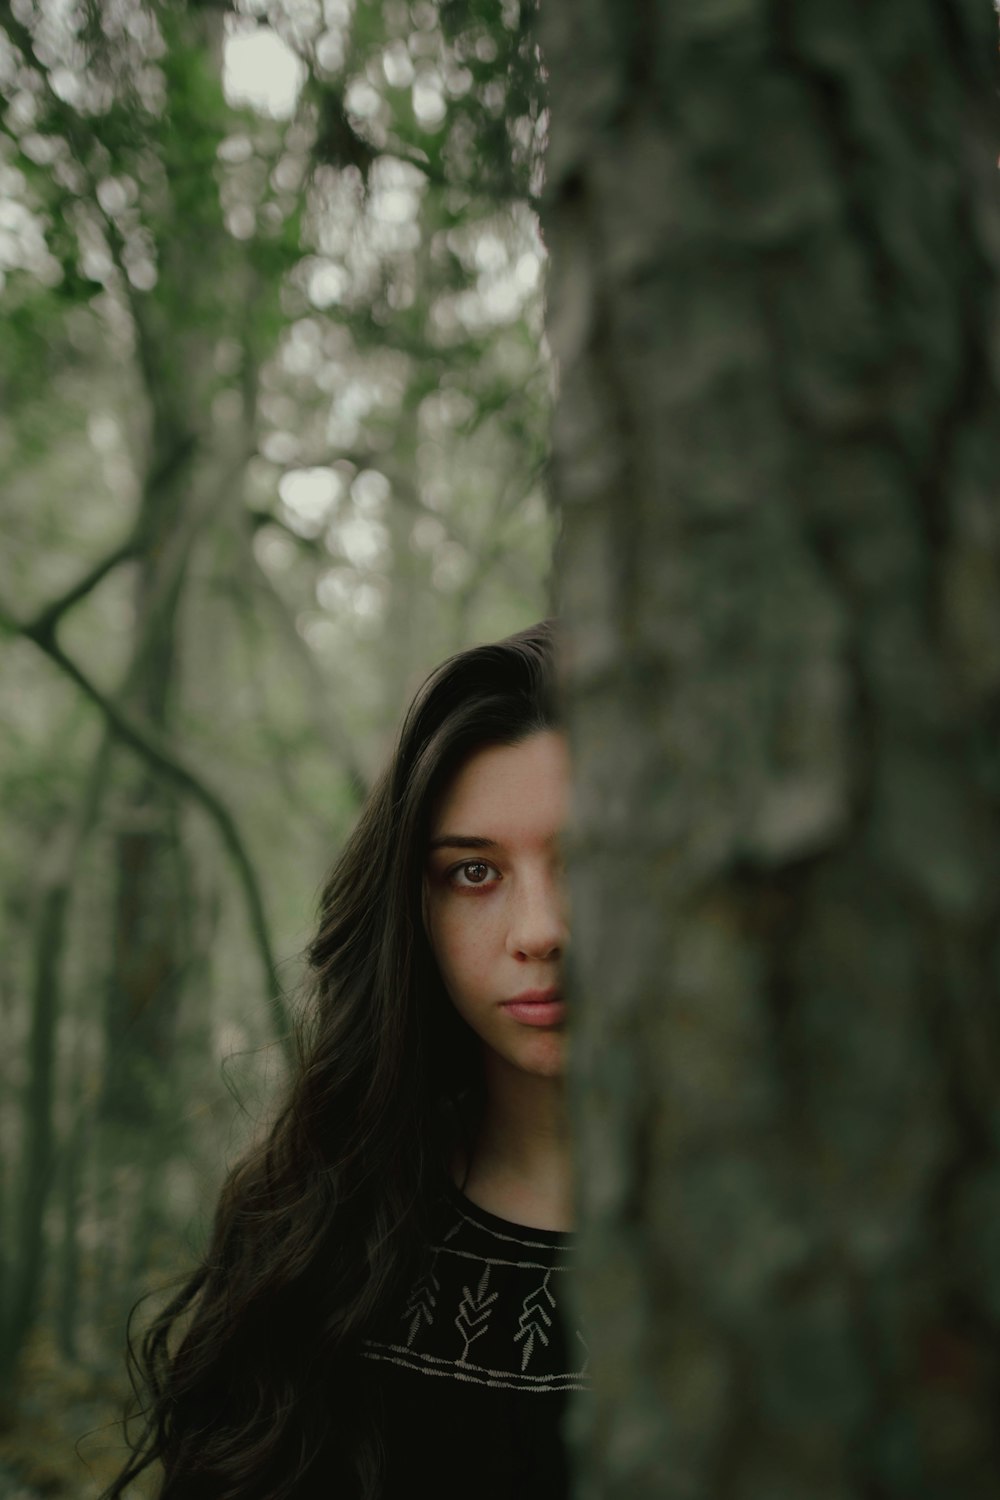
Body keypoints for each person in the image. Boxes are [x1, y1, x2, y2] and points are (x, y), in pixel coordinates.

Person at [102, 620, 589, 1500]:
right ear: (412, 909)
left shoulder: (847, 1231)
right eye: (474, 873)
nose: (542, 931)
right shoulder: (317, 1237)